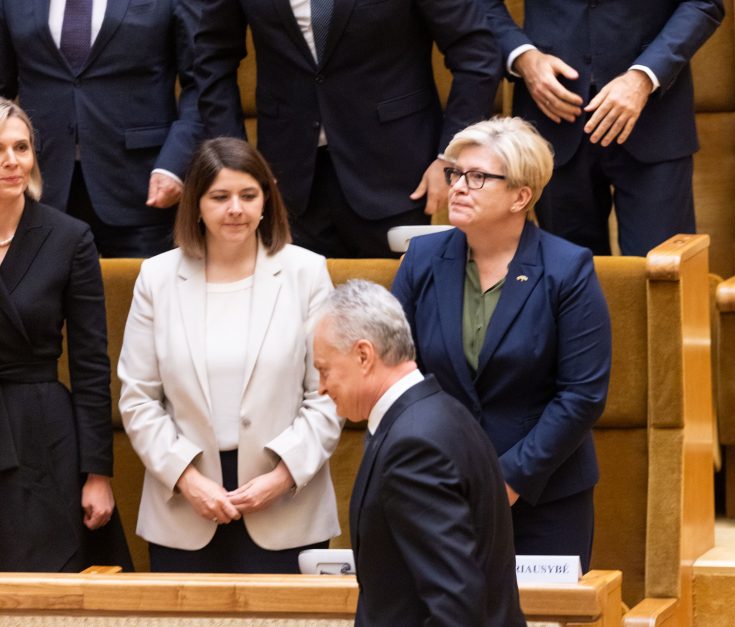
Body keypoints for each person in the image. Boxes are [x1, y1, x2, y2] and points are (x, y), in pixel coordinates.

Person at [392, 117, 611, 572]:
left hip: (542, 496)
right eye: (455, 174)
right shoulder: (422, 259)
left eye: (477, 177)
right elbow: (397, 371)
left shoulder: (567, 269)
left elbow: (582, 394)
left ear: (521, 196)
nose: (458, 187)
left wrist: (509, 479)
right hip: (438, 486)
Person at [117, 138, 343, 573]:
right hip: (185, 505)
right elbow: (138, 398)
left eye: (248, 195)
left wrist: (281, 478)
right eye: (219, 197)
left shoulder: (306, 272)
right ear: (196, 204)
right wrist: (188, 480)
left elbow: (328, 395)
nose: (235, 208)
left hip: (286, 504)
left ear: (266, 200)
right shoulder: (157, 277)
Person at [193, 0, 501, 258]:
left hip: (396, 173)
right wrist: (236, 162)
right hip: (287, 180)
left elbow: (476, 53)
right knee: (301, 323)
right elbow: (212, 57)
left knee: (396, 318)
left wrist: (450, 155)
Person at [314, 280, 525, 626]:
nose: (321, 386)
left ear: (363, 355)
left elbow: (455, 606)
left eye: (324, 369)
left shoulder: (413, 445)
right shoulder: (442, 414)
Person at [480, 0, 725, 255]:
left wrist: (645, 76)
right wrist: (522, 56)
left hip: (654, 118)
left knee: (663, 276)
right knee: (568, 282)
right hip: (552, 117)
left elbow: (703, 3)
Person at [0, 98, 131, 572]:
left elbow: (92, 365)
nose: (11, 161)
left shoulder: (69, 237)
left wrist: (97, 473)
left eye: (21, 147)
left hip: (42, 435)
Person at [0, 0, 204, 257]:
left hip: (142, 188)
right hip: (39, 191)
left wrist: (176, 164)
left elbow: (202, 84)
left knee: (136, 294)